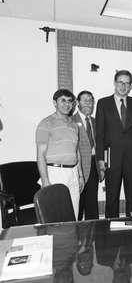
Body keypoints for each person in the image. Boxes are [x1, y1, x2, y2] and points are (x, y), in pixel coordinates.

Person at [95, 70, 132, 218]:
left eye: (127, 83)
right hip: (111, 158)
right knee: (111, 196)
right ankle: (110, 224)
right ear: (114, 83)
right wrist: (100, 159)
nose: (123, 86)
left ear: (131, 86)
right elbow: (100, 134)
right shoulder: (103, 103)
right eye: (120, 82)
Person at [36, 89, 84, 219]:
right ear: (54, 103)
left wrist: (80, 175)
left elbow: (77, 151)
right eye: (62, 100)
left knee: (73, 217)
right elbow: (41, 155)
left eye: (70, 101)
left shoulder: (74, 125)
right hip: (55, 173)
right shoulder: (45, 123)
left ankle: (71, 240)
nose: (67, 104)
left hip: (73, 173)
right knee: (55, 218)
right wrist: (45, 180)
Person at [71, 91, 104, 220]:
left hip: (93, 166)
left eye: (90, 100)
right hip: (78, 167)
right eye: (84, 100)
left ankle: (94, 235)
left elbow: (99, 144)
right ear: (78, 103)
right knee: (77, 204)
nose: (88, 103)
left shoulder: (95, 122)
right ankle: (76, 234)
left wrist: (101, 167)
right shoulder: (71, 121)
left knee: (92, 203)